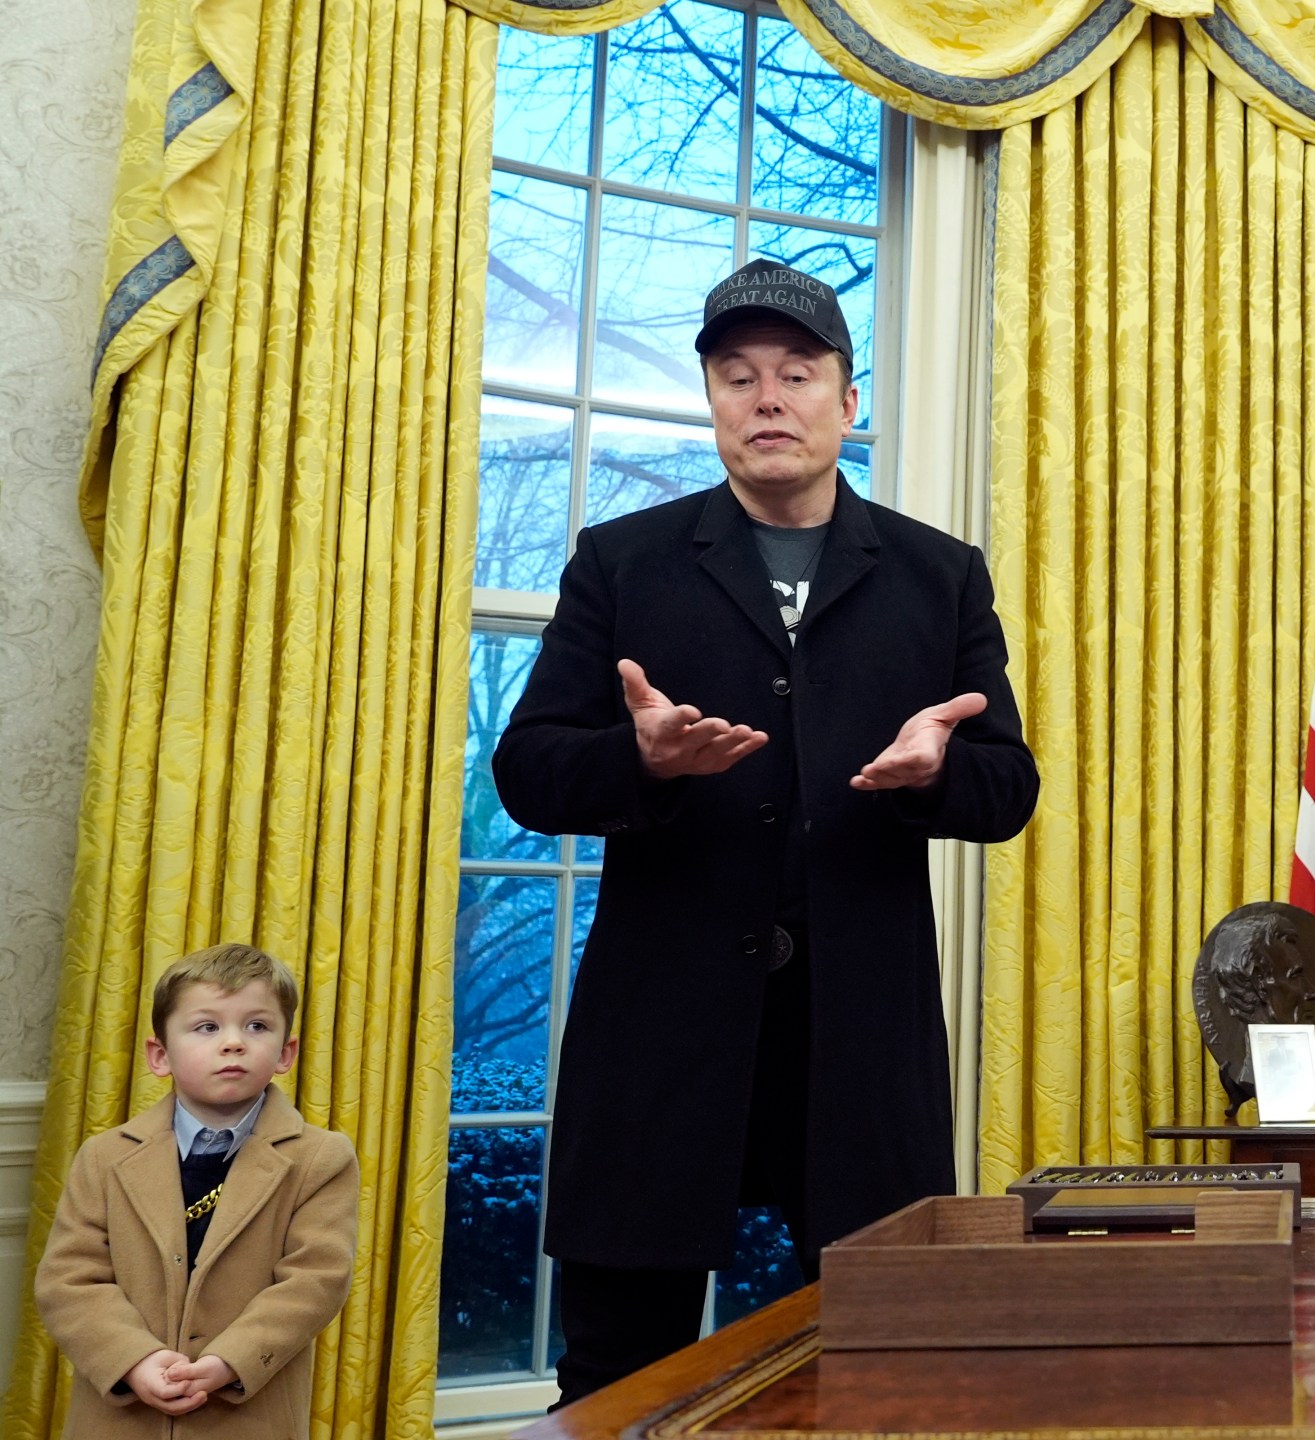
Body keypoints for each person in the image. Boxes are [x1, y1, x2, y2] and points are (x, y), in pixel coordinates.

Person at [493, 259, 1038, 1404]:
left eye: (797, 374)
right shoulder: (622, 561)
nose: (768, 399)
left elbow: (1008, 788)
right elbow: (529, 773)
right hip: (660, 1037)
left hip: (860, 1048)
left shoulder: (939, 577)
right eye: (737, 378)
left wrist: (935, 774)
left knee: (886, 1370)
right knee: (616, 1378)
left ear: (850, 403)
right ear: (713, 404)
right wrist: (635, 761)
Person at [36, 945, 358, 1439]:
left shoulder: (321, 1158)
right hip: (120, 1418)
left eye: (257, 1026)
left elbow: (315, 1280)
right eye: (207, 1027)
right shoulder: (103, 1157)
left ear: (285, 1053)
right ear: (159, 1055)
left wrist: (232, 1360)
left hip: (246, 1415)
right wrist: (134, 1360)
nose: (234, 1043)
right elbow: (69, 1279)